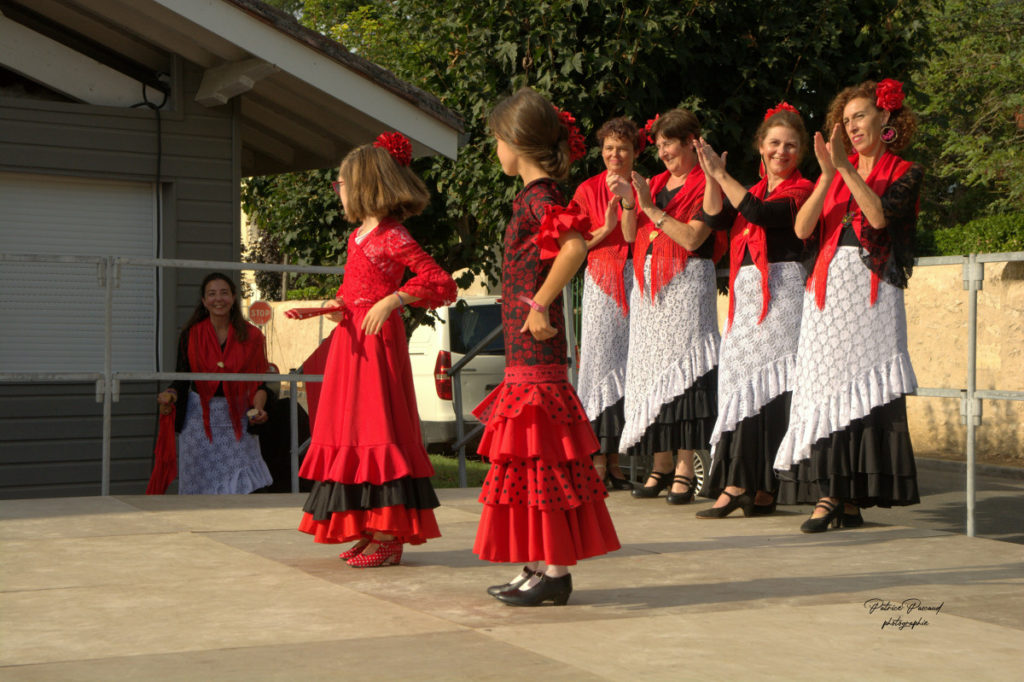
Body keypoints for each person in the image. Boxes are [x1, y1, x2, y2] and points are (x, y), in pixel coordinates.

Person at [474, 87, 620, 607]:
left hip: (537, 355)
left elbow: (575, 247)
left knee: (541, 456)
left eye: (497, 140)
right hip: (525, 355)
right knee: (528, 457)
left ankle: (554, 570)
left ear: (515, 142)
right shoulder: (534, 197)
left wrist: (538, 303)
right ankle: (536, 563)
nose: (496, 150)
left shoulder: (541, 199)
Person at [296, 132, 457, 565]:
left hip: (377, 347)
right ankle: (371, 528)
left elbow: (442, 283)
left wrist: (394, 299)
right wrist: (334, 306)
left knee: (377, 431)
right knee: (353, 434)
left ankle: (390, 535)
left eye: (342, 183)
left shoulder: (392, 235)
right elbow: (356, 291)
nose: (339, 191)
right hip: (352, 343)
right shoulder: (358, 237)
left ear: (364, 184)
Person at [773, 79, 924, 532]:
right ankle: (827, 493)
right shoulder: (836, 171)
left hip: (872, 293)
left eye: (860, 116)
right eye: (846, 120)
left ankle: (849, 497)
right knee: (823, 388)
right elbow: (802, 230)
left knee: (861, 392)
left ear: (885, 119)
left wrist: (848, 170)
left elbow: (877, 218)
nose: (852, 126)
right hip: (826, 293)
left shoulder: (905, 170)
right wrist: (828, 174)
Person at [693, 103, 814, 518]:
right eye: (775, 143)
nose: (783, 151)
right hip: (748, 301)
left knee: (772, 389)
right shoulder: (751, 192)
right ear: (761, 146)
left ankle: (752, 487)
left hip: (781, 296)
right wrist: (712, 176)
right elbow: (714, 216)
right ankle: (749, 487)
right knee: (742, 387)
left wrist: (723, 176)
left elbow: (761, 216)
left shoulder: (802, 191)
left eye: (792, 146)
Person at [622, 109, 723, 504]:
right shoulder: (657, 183)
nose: (662, 151)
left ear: (690, 143)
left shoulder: (705, 183)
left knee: (685, 379)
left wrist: (650, 209)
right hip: (650, 293)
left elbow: (694, 238)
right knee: (654, 378)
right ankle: (659, 465)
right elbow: (631, 236)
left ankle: (684, 468)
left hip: (685, 287)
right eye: (660, 144)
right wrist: (631, 204)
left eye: (670, 143)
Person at [572, 117, 642, 491]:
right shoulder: (586, 190)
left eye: (623, 149)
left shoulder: (645, 187)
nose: (615, 155)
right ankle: (596, 460)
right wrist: (607, 224)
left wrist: (631, 203)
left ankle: (617, 461)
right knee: (599, 367)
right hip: (602, 277)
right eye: (609, 149)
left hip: (639, 277)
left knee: (630, 367)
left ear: (634, 153)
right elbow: (575, 246)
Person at [156, 273, 273, 494]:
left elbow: (258, 383)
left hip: (237, 418)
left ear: (234, 297)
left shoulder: (253, 336)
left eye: (223, 293)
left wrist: (258, 409)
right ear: (203, 301)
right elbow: (182, 377)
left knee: (239, 488)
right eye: (211, 294)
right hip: (198, 419)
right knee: (198, 489)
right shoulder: (190, 335)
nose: (218, 299)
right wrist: (170, 393)